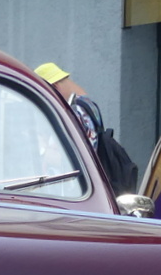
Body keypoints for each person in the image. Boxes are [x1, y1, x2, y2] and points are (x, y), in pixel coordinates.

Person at [34, 62, 140, 195]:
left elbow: (79, 161)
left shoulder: (77, 111)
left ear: (54, 87)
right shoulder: (85, 104)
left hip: (81, 193)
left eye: (45, 95)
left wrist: (44, 152)